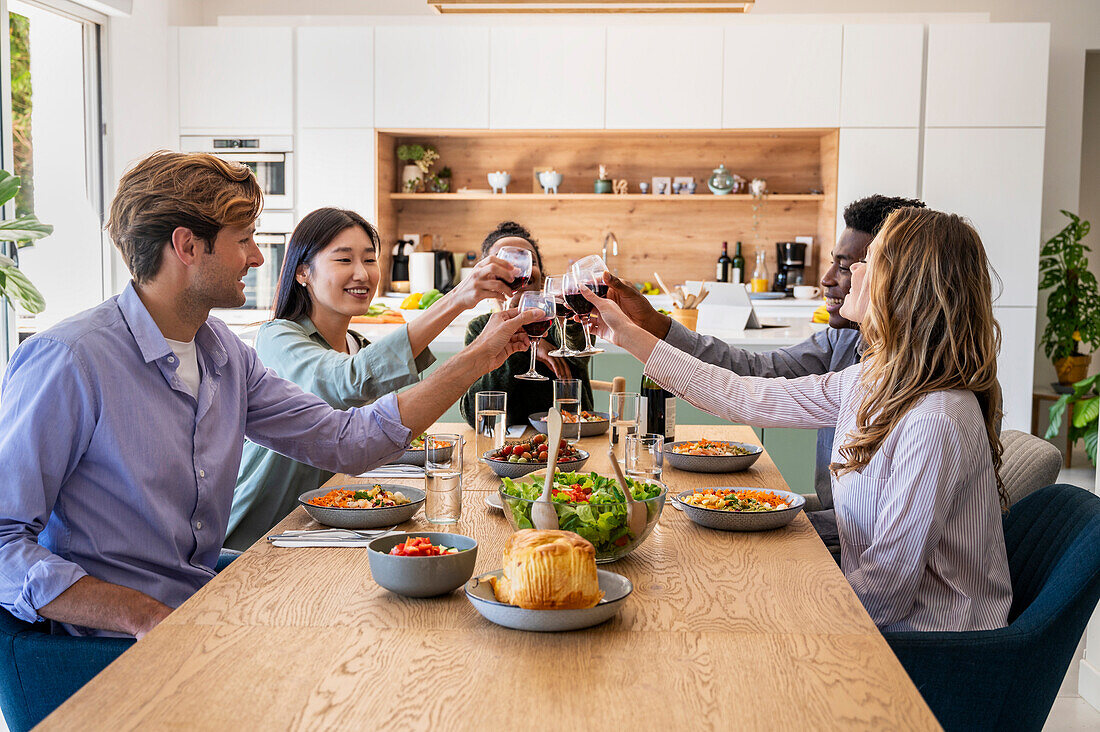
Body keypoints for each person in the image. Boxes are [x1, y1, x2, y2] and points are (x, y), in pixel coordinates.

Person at [0, 151, 537, 640]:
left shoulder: (226, 355)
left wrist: (477, 360)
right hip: (105, 646)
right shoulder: (70, 360)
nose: (258, 259)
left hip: (194, 611)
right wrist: (143, 616)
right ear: (187, 246)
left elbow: (349, 442)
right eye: (244, 239)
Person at [582, 206, 1011, 632]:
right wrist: (629, 334)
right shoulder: (873, 380)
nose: (852, 272)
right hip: (872, 612)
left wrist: (770, 610)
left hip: (929, 645)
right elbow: (746, 397)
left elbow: (885, 590)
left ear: (904, 288)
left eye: (869, 261)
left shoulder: (937, 419)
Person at [598, 195, 925, 547]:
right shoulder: (849, 357)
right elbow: (749, 386)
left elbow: (893, 554)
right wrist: (652, 328)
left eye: (850, 266)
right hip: (844, 526)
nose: (828, 278)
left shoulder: (931, 409)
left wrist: (631, 336)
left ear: (897, 279)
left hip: (854, 539)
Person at [227, 207, 516, 550]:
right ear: (302, 272)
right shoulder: (277, 338)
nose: (362, 274)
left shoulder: (358, 345)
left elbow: (377, 428)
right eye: (344, 260)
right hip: (256, 539)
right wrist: (458, 298)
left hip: (322, 530)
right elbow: (346, 381)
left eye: (369, 259)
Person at [459, 222, 594, 428]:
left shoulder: (564, 318)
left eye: (527, 259)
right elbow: (473, 415)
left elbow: (578, 348)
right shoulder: (479, 328)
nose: (518, 267)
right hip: (506, 448)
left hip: (571, 439)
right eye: (505, 260)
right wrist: (521, 341)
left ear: (541, 274)